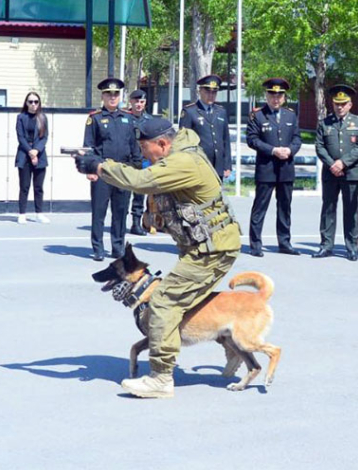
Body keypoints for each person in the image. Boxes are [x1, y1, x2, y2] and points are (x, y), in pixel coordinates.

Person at [73, 117, 241, 398]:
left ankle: (161, 379)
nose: (142, 153)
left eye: (144, 147)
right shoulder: (179, 155)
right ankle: (234, 349)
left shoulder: (182, 162)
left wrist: (99, 167)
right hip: (207, 247)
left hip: (211, 251)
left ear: (163, 144)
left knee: (163, 302)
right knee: (186, 303)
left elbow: (141, 181)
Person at [83, 78, 142, 262]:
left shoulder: (128, 118)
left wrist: (137, 170)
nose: (112, 97)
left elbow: (134, 147)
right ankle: (98, 248)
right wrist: (91, 169)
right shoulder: (95, 118)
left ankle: (118, 247)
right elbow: (88, 147)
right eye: (109, 94)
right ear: (103, 96)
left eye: (116, 94)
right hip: (102, 170)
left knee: (121, 211)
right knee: (99, 211)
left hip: (123, 172)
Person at [247, 77, 303, 257]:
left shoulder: (290, 115)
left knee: (285, 207)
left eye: (279, 95)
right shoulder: (258, 115)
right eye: (272, 95)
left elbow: (297, 138)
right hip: (266, 168)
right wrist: (273, 150)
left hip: (286, 168)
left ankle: (284, 242)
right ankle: (255, 244)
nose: (276, 98)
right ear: (267, 95)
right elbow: (252, 139)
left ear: (284, 97)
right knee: (260, 207)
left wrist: (290, 150)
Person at [313, 84, 358, 260]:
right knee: (328, 209)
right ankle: (326, 245)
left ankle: (351, 247)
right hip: (330, 173)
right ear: (333, 103)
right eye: (337, 103)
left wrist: (342, 163)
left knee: (351, 210)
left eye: (344, 103)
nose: (340, 106)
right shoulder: (324, 123)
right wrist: (332, 164)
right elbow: (319, 146)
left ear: (350, 104)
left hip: (350, 173)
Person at [179, 74, 232, 179]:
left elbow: (225, 140)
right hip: (198, 164)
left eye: (214, 92)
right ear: (200, 91)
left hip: (218, 165)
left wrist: (227, 165)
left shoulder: (221, 111)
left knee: (217, 194)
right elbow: (183, 141)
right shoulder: (190, 111)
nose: (211, 95)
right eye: (207, 91)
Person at [15, 90, 49, 225]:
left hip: (40, 155)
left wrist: (36, 150)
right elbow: (20, 137)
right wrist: (30, 151)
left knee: (39, 186)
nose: (33, 104)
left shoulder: (43, 118)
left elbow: (44, 137)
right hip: (24, 154)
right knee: (24, 186)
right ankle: (22, 214)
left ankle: (39, 213)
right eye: (30, 102)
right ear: (26, 103)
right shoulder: (21, 117)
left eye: (36, 101)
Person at [127, 89, 153, 235]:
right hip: (127, 160)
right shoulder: (124, 117)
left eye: (141, 101)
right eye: (136, 101)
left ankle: (136, 224)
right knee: (123, 193)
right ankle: (118, 222)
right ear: (131, 101)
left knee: (140, 194)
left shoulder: (149, 120)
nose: (138, 104)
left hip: (143, 160)